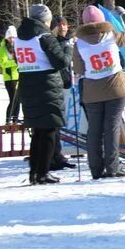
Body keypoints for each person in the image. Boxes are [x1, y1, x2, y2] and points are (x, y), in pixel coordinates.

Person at [73, 5, 125, 179]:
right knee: (112, 127)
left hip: (92, 91)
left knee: (94, 130)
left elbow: (79, 68)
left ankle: (96, 169)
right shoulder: (112, 36)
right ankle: (112, 167)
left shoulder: (79, 43)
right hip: (116, 89)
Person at [15, 4, 72, 185]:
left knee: (38, 131)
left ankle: (34, 172)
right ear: (45, 20)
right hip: (46, 86)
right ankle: (43, 173)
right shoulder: (44, 36)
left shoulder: (19, 37)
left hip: (28, 85)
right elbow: (61, 62)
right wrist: (68, 46)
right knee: (48, 130)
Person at [49, 15, 75, 171]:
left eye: (65, 25)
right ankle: (54, 155)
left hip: (68, 82)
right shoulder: (54, 42)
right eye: (60, 25)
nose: (63, 28)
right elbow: (61, 61)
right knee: (56, 120)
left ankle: (58, 153)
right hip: (57, 83)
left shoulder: (69, 41)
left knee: (61, 119)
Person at [0, 25, 21, 124]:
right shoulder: (3, 49)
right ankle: (8, 120)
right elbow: (3, 63)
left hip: (19, 76)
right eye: (10, 37)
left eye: (14, 37)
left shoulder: (18, 47)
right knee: (13, 99)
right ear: (7, 37)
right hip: (10, 77)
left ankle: (15, 120)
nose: (12, 39)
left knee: (18, 100)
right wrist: (15, 62)